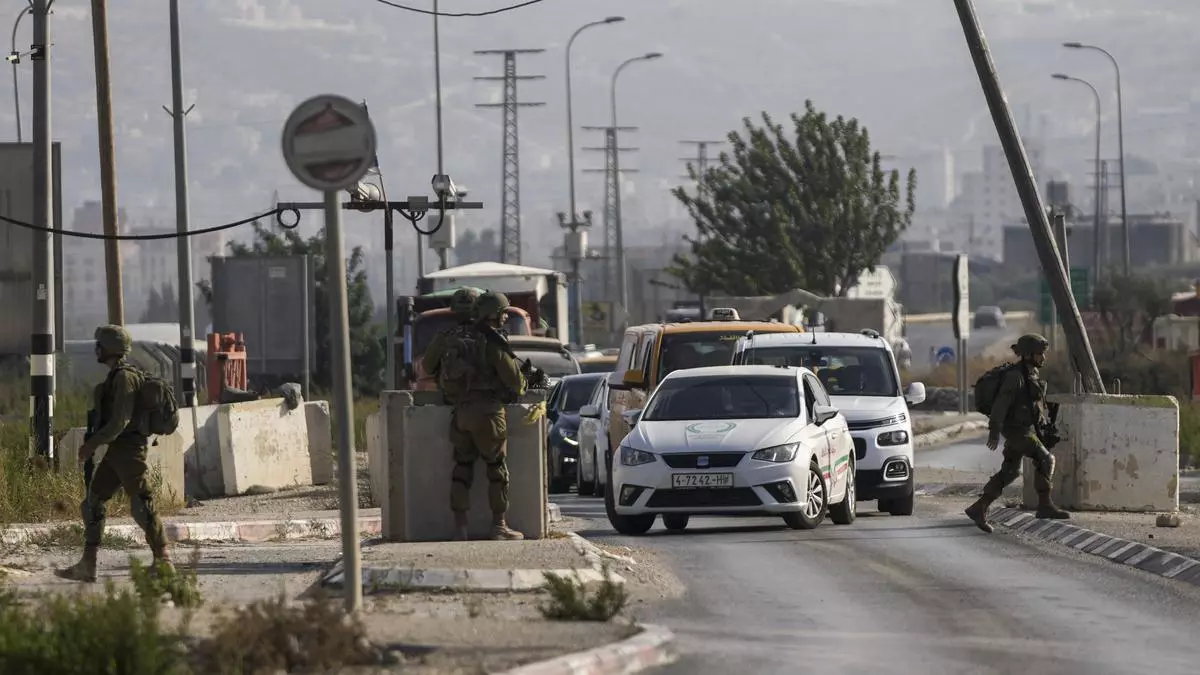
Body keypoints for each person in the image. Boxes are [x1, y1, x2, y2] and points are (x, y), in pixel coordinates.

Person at [56, 325, 171, 582]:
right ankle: (88, 564)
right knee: (93, 502)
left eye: (99, 345)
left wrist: (92, 443)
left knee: (142, 502)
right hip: (117, 451)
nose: (96, 349)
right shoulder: (116, 377)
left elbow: (120, 421)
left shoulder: (124, 378)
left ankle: (164, 561)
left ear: (109, 348)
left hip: (129, 450)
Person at [422, 290, 526, 542]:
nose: (504, 319)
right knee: (497, 470)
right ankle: (498, 526)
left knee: (462, 469)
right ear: (494, 314)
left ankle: (461, 528)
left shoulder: (448, 337)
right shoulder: (492, 340)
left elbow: (426, 367)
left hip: (460, 413)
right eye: (502, 314)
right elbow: (515, 381)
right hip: (489, 413)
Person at [964, 333, 1069, 533]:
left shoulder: (1030, 374)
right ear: (1029, 354)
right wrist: (994, 431)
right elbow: (1001, 405)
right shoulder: (1015, 377)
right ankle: (1045, 506)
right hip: (1016, 431)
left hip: (1021, 430)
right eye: (1039, 354)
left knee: (1011, 471)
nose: (1043, 358)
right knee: (1046, 460)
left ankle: (979, 508)